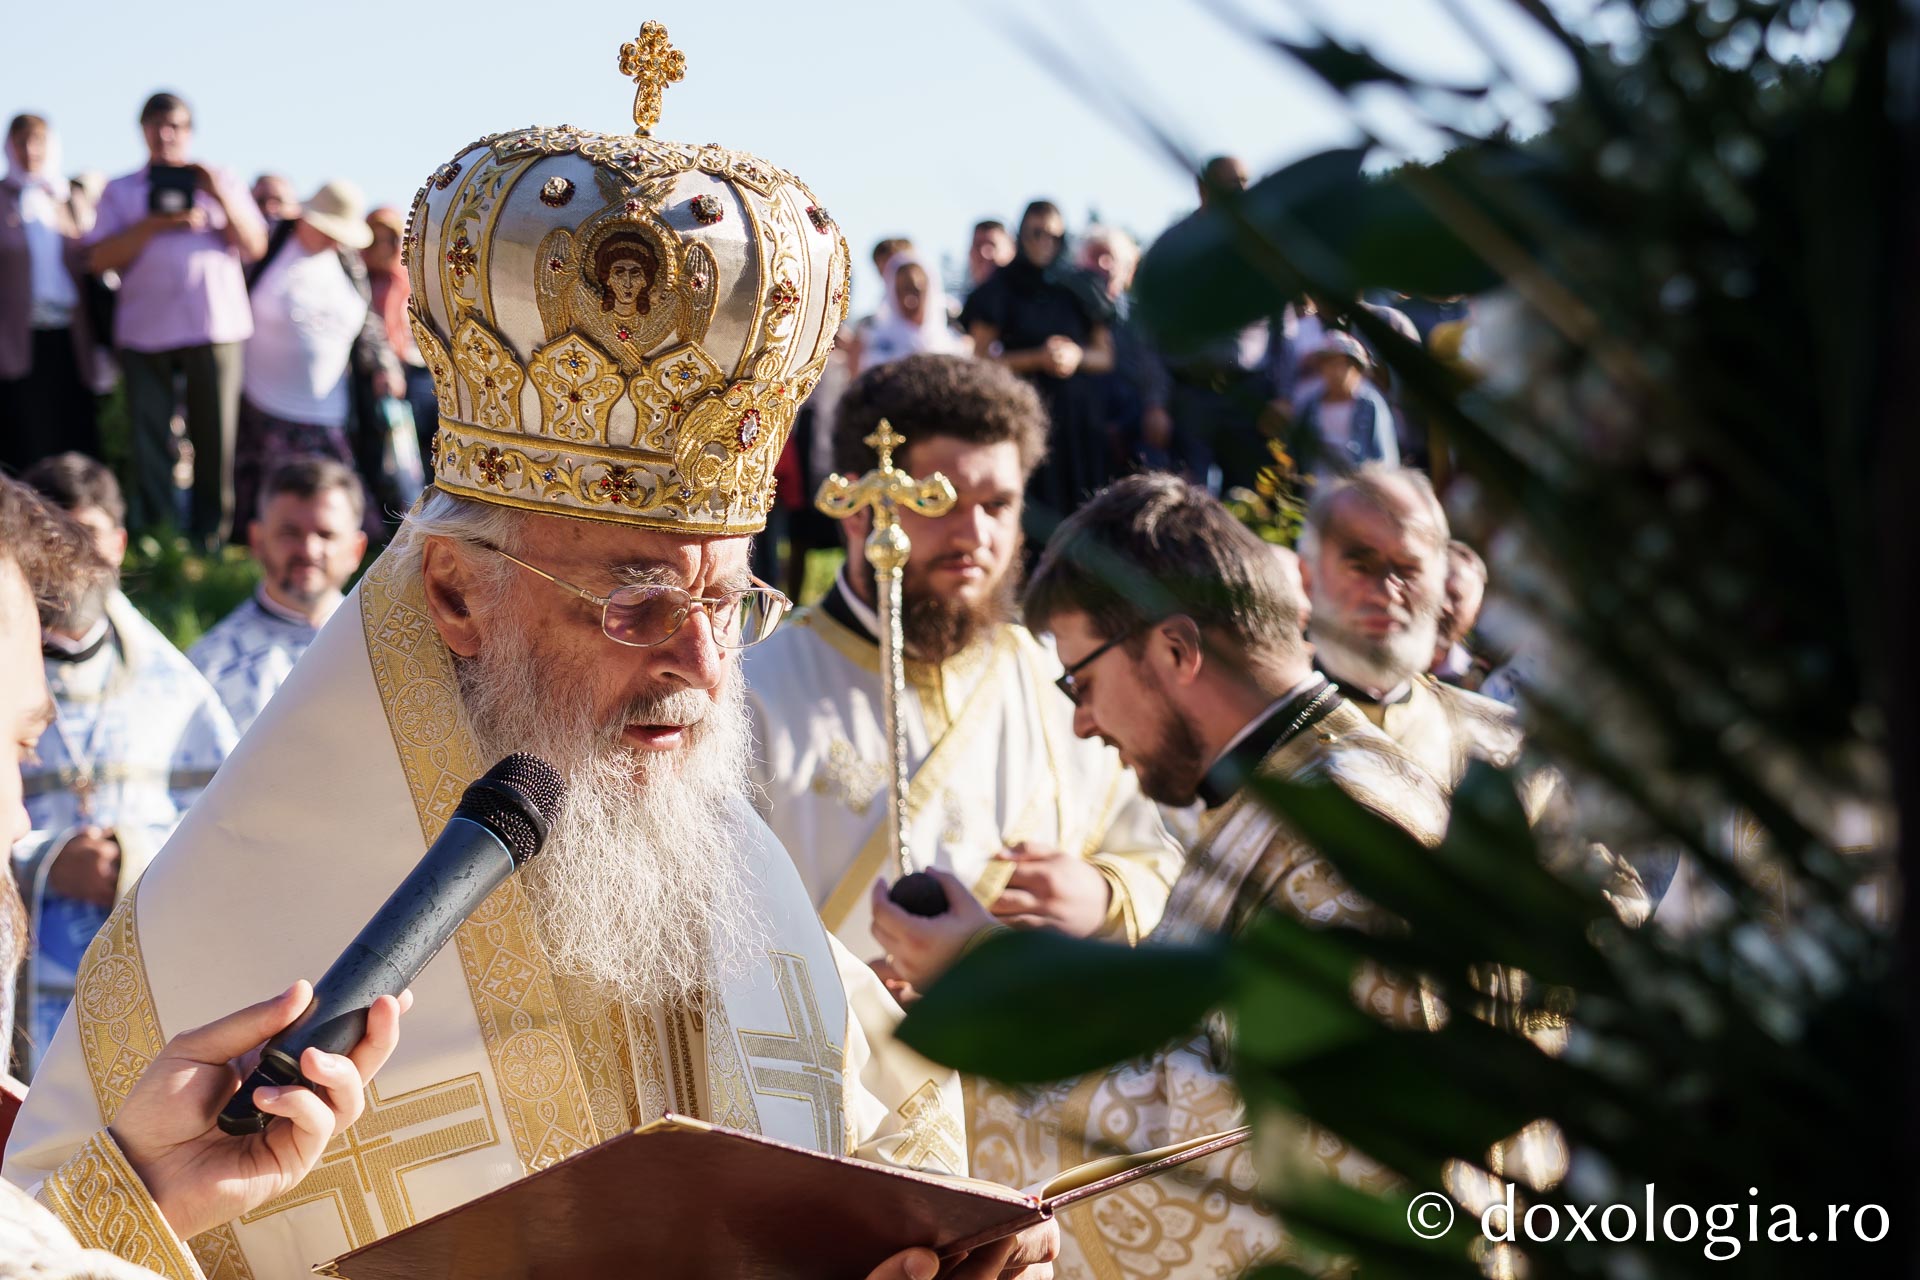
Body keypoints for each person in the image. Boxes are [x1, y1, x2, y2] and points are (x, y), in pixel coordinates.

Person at [9, 48, 1053, 1279]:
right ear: (456, 591)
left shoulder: (738, 874)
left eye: (729, 600)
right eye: (640, 599)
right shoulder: (215, 946)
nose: (703, 666)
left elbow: (879, 1132)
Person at [869, 472, 1451, 1276]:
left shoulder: (1346, 829)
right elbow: (1202, 1051)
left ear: (1176, 648)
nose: (1081, 719)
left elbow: (1273, 1144)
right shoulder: (1283, 796)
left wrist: (987, 999)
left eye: (1083, 680)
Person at [0, 470, 410, 1280]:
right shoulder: (216, 659)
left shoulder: (170, 686)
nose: (16, 823)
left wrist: (145, 1187)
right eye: (12, 746)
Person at [743, 354, 1181, 969]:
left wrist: (1104, 897)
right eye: (940, 501)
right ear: (859, 512)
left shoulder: (1058, 684)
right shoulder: (755, 692)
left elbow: (1159, 863)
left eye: (998, 504)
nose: (975, 535)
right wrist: (847, 1003)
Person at [12, 453, 239, 1076]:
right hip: (24, 978)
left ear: (117, 543)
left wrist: (132, 854)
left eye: (85, 538)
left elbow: (228, 828)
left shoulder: (176, 688)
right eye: (53, 541)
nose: (70, 563)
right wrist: (49, 862)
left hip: (142, 963)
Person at [87, 92, 266, 544]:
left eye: (176, 126)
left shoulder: (220, 179)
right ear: (143, 131)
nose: (166, 135)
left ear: (189, 132)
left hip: (215, 327)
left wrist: (215, 192)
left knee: (216, 436)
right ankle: (157, 534)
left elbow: (255, 245)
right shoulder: (121, 190)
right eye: (156, 126)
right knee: (149, 436)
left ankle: (210, 537)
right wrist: (154, 224)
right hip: (145, 333)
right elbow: (97, 258)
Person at [236, 179, 400, 539]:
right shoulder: (270, 243)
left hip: (329, 412)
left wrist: (383, 365)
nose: (333, 238)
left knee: (334, 494)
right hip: (263, 407)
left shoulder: (346, 261)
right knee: (276, 500)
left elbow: (368, 323)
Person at [962, 200, 1117, 523]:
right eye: (1036, 233)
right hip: (1025, 413)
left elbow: (1105, 356)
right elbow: (980, 361)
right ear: (1022, 234)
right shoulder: (999, 288)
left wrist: (1075, 356)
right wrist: (1036, 358)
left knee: (1085, 505)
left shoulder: (1081, 287)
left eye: (1053, 235)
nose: (1044, 241)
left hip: (1078, 420)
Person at [189, 456, 368, 734]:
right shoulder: (208, 669)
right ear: (257, 540)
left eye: (326, 534)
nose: (309, 550)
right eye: (290, 533)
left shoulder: (392, 649)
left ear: (356, 549)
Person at [0, 114, 102, 474]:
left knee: (74, 432)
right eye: (21, 141)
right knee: (27, 436)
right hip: (17, 340)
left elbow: (96, 260)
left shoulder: (67, 197)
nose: (30, 151)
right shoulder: (3, 198)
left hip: (72, 337)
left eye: (38, 140)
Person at [1288, 330, 1399, 481]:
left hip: (1357, 488)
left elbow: (1384, 457)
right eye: (1328, 365)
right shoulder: (1311, 406)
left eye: (1341, 365)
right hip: (1317, 487)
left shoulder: (1370, 405)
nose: (1334, 372)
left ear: (1357, 369)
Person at [853, 251, 967, 374]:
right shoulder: (872, 344)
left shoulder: (955, 347)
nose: (909, 300)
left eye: (916, 290)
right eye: (902, 291)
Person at [1430, 538, 1489, 686]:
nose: (1443, 604)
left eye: (1455, 597)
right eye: (1436, 587)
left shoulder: (1476, 690)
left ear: (1475, 615)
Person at [965, 219, 1013, 293]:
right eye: (978, 246)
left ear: (1012, 251)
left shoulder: (1029, 298)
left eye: (992, 245)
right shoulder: (956, 302)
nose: (984, 254)